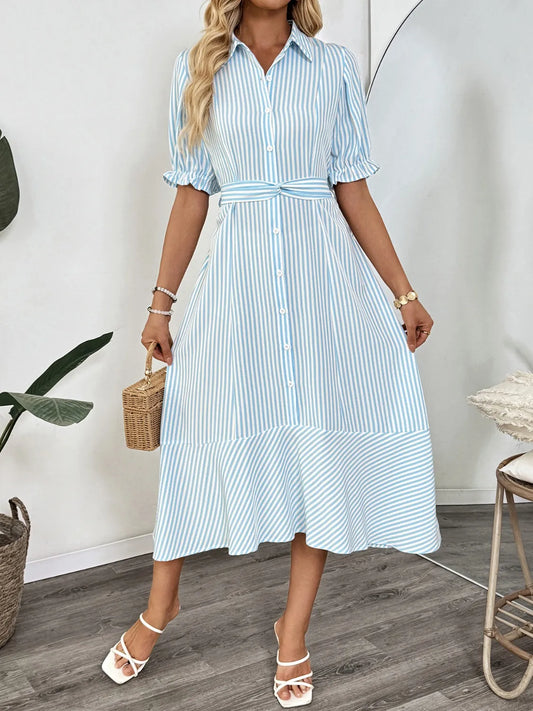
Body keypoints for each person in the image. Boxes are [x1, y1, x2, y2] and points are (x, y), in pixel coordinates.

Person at [101, 0, 441, 705]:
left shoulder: (332, 67)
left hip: (325, 288)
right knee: (194, 433)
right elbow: (192, 196)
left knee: (315, 445)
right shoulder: (198, 67)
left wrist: (403, 292)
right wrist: (160, 303)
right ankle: (161, 606)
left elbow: (352, 187)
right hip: (237, 287)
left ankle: (294, 631)